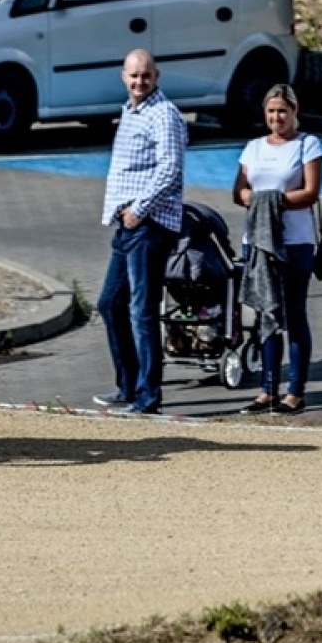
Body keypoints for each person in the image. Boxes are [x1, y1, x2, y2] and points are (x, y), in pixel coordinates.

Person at [94, 49, 187, 415]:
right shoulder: (131, 111)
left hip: (148, 224)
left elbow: (170, 167)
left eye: (145, 75)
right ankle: (129, 385)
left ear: (157, 76)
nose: (139, 82)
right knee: (110, 303)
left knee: (141, 310)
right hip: (127, 224)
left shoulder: (163, 114)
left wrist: (139, 209)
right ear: (123, 76)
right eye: (133, 75)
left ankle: (148, 397)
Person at [231, 84, 322, 415]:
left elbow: (310, 192)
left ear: (294, 112)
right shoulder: (253, 148)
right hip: (258, 243)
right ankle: (267, 390)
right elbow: (239, 191)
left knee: (294, 315)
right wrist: (258, 201)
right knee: (265, 315)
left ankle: (295, 392)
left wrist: (270, 201)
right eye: (271, 111)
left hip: (295, 243)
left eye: (282, 111)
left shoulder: (307, 145)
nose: (276, 117)